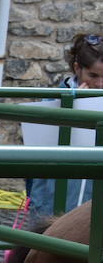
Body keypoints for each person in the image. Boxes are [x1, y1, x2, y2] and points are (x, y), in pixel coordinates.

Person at [28, 32, 103, 225]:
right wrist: (75, 105)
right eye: (93, 75)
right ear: (77, 68)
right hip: (53, 202)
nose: (100, 84)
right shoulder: (54, 100)